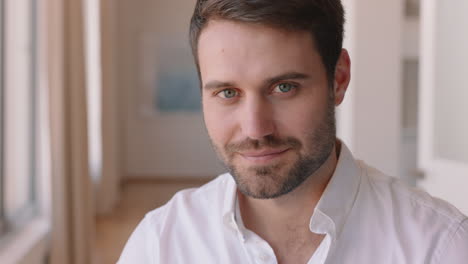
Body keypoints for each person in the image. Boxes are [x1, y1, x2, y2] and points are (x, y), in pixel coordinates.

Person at [118, 0, 468, 263]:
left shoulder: (438, 246)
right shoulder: (160, 243)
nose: (255, 129)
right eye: (228, 93)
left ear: (338, 78)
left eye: (284, 87)